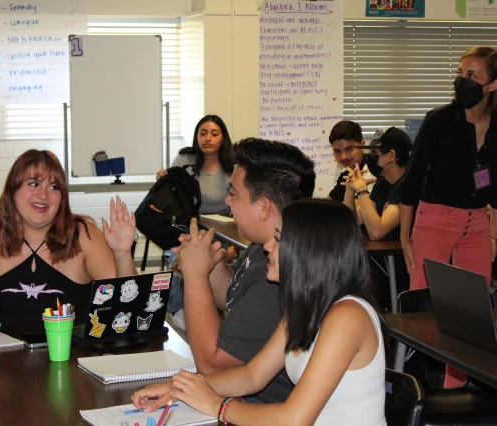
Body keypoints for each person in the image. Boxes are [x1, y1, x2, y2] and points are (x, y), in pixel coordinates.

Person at [132, 199, 386, 426]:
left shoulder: (347, 316)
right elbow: (252, 376)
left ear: (310, 251)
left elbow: (293, 420)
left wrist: (218, 406)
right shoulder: (306, 306)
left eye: (278, 239)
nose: (266, 246)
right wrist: (180, 386)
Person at [163, 138, 315, 403]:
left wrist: (196, 276)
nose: (227, 200)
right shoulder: (265, 244)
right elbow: (234, 296)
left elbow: (212, 366)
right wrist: (209, 265)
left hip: (258, 409)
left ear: (264, 207)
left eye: (233, 192)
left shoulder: (282, 275)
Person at [0, 149, 137, 336]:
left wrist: (121, 253)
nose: (43, 195)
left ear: (61, 198)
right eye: (34, 184)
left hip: (73, 356)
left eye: (53, 187)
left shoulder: (83, 236)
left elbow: (127, 302)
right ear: (13, 189)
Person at [399, 47, 497, 388]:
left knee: (473, 315)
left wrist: (494, 236)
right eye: (460, 72)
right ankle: (414, 388)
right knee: (422, 307)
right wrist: (404, 236)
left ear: (493, 84)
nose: (462, 80)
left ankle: (459, 392)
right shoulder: (439, 120)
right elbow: (411, 182)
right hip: (434, 219)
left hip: (477, 223)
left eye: (472, 75)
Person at [155, 114, 235, 329]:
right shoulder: (184, 160)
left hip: (222, 230)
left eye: (214, 134)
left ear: (222, 138)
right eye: (202, 133)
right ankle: (179, 308)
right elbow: (168, 193)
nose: (207, 138)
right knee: (181, 253)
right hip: (186, 225)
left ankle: (218, 307)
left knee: (222, 255)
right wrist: (163, 178)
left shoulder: (232, 166)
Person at [343, 126, 412, 306]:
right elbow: (350, 223)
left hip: (399, 272)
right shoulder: (383, 183)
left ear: (391, 156)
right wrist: (350, 190)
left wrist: (362, 190)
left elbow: (376, 231)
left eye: (375, 153)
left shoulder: (408, 187)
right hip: (380, 267)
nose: (371, 158)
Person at [327, 120, 375, 202]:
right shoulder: (346, 170)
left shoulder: (371, 171)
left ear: (362, 146)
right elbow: (328, 202)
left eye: (349, 149)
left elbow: (354, 211)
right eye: (337, 151)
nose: (343, 157)